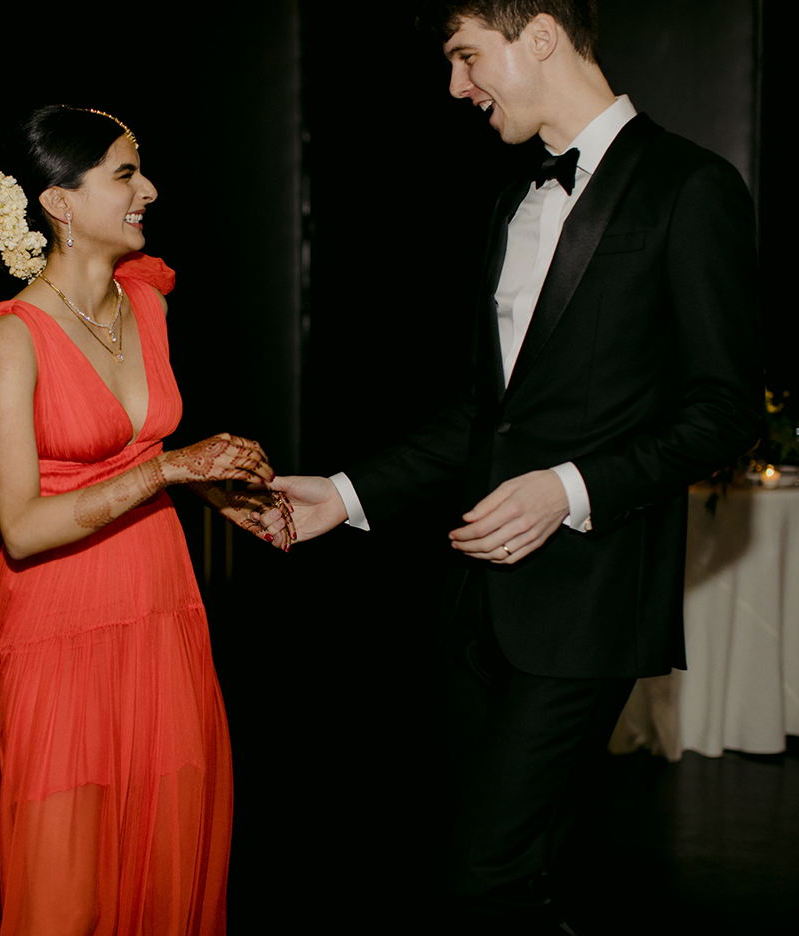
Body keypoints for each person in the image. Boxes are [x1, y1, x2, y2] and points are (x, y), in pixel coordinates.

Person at [260, 3, 762, 932]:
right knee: (514, 876)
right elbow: (483, 420)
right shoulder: (511, 201)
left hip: (593, 601)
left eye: (466, 57)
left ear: (538, 35)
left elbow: (724, 409)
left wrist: (568, 489)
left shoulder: (691, 188)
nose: (457, 87)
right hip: (474, 607)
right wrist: (344, 494)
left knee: (481, 876)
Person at [0, 105, 293, 936]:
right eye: (125, 173)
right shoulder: (11, 339)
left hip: (162, 615)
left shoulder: (146, 304)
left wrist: (211, 488)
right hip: (58, 635)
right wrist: (169, 468)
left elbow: (130, 453)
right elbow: (23, 528)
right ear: (60, 203)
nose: (148, 190)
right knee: (64, 890)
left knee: (163, 871)